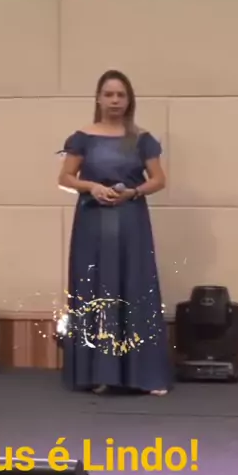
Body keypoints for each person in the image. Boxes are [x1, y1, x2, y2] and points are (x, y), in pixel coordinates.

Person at [58, 69, 173, 396]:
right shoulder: (82, 137)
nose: (115, 100)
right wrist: (91, 186)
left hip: (130, 220)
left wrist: (134, 192)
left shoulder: (142, 139)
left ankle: (145, 375)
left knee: (134, 288)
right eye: (109, 94)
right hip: (92, 222)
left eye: (121, 95)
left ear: (129, 100)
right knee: (95, 289)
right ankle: (99, 373)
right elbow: (65, 178)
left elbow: (158, 180)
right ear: (98, 98)